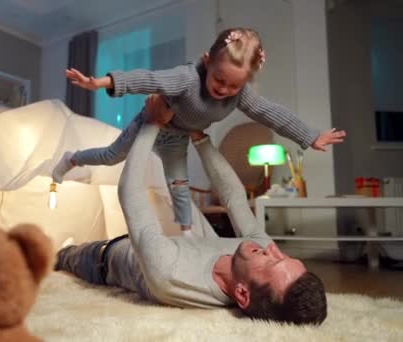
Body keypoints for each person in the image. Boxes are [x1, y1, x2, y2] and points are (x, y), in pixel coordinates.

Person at [54, 95, 328, 325]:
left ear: (242, 295)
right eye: (283, 255)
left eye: (272, 261)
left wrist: (152, 122)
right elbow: (234, 197)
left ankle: (64, 253)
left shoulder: (171, 274)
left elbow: (130, 193)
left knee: (63, 257)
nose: (271, 249)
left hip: (105, 258)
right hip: (162, 244)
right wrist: (200, 138)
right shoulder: (260, 253)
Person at [52, 27, 346, 232]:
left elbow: (272, 114)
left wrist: (310, 136)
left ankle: (187, 232)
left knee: (179, 183)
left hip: (178, 137)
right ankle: (72, 159)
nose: (224, 89)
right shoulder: (186, 78)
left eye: (234, 85)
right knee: (111, 156)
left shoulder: (238, 95)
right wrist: (99, 82)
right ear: (207, 61)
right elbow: (148, 79)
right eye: (219, 80)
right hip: (152, 123)